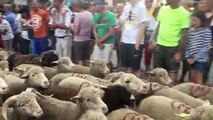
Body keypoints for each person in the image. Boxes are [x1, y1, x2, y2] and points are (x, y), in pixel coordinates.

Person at [153, 0, 190, 83]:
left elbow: (185, 34)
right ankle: (156, 91)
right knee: (157, 70)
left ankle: (170, 91)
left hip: (174, 47)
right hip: (159, 45)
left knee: (172, 71)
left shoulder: (185, 14)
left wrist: (180, 52)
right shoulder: (163, 9)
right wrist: (155, 39)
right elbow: (159, 25)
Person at [119, 0, 147, 77]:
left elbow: (142, 25)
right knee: (127, 66)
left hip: (135, 41)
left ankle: (137, 84)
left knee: (135, 67)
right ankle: (128, 85)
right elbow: (124, 23)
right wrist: (122, 39)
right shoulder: (127, 7)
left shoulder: (141, 7)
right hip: (125, 40)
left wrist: (137, 44)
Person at [185, 11, 212, 84]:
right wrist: (188, 56)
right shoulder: (191, 31)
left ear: (201, 20)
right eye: (192, 20)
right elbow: (188, 44)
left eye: (195, 20)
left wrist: (195, 58)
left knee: (198, 81)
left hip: (200, 60)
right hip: (190, 58)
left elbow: (206, 47)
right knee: (191, 80)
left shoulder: (206, 31)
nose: (193, 22)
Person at [71, 0, 93, 65]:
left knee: (79, 59)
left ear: (77, 6)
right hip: (87, 39)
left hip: (78, 40)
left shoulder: (78, 15)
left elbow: (76, 31)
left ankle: (80, 72)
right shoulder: (90, 14)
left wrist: (71, 25)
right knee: (86, 58)